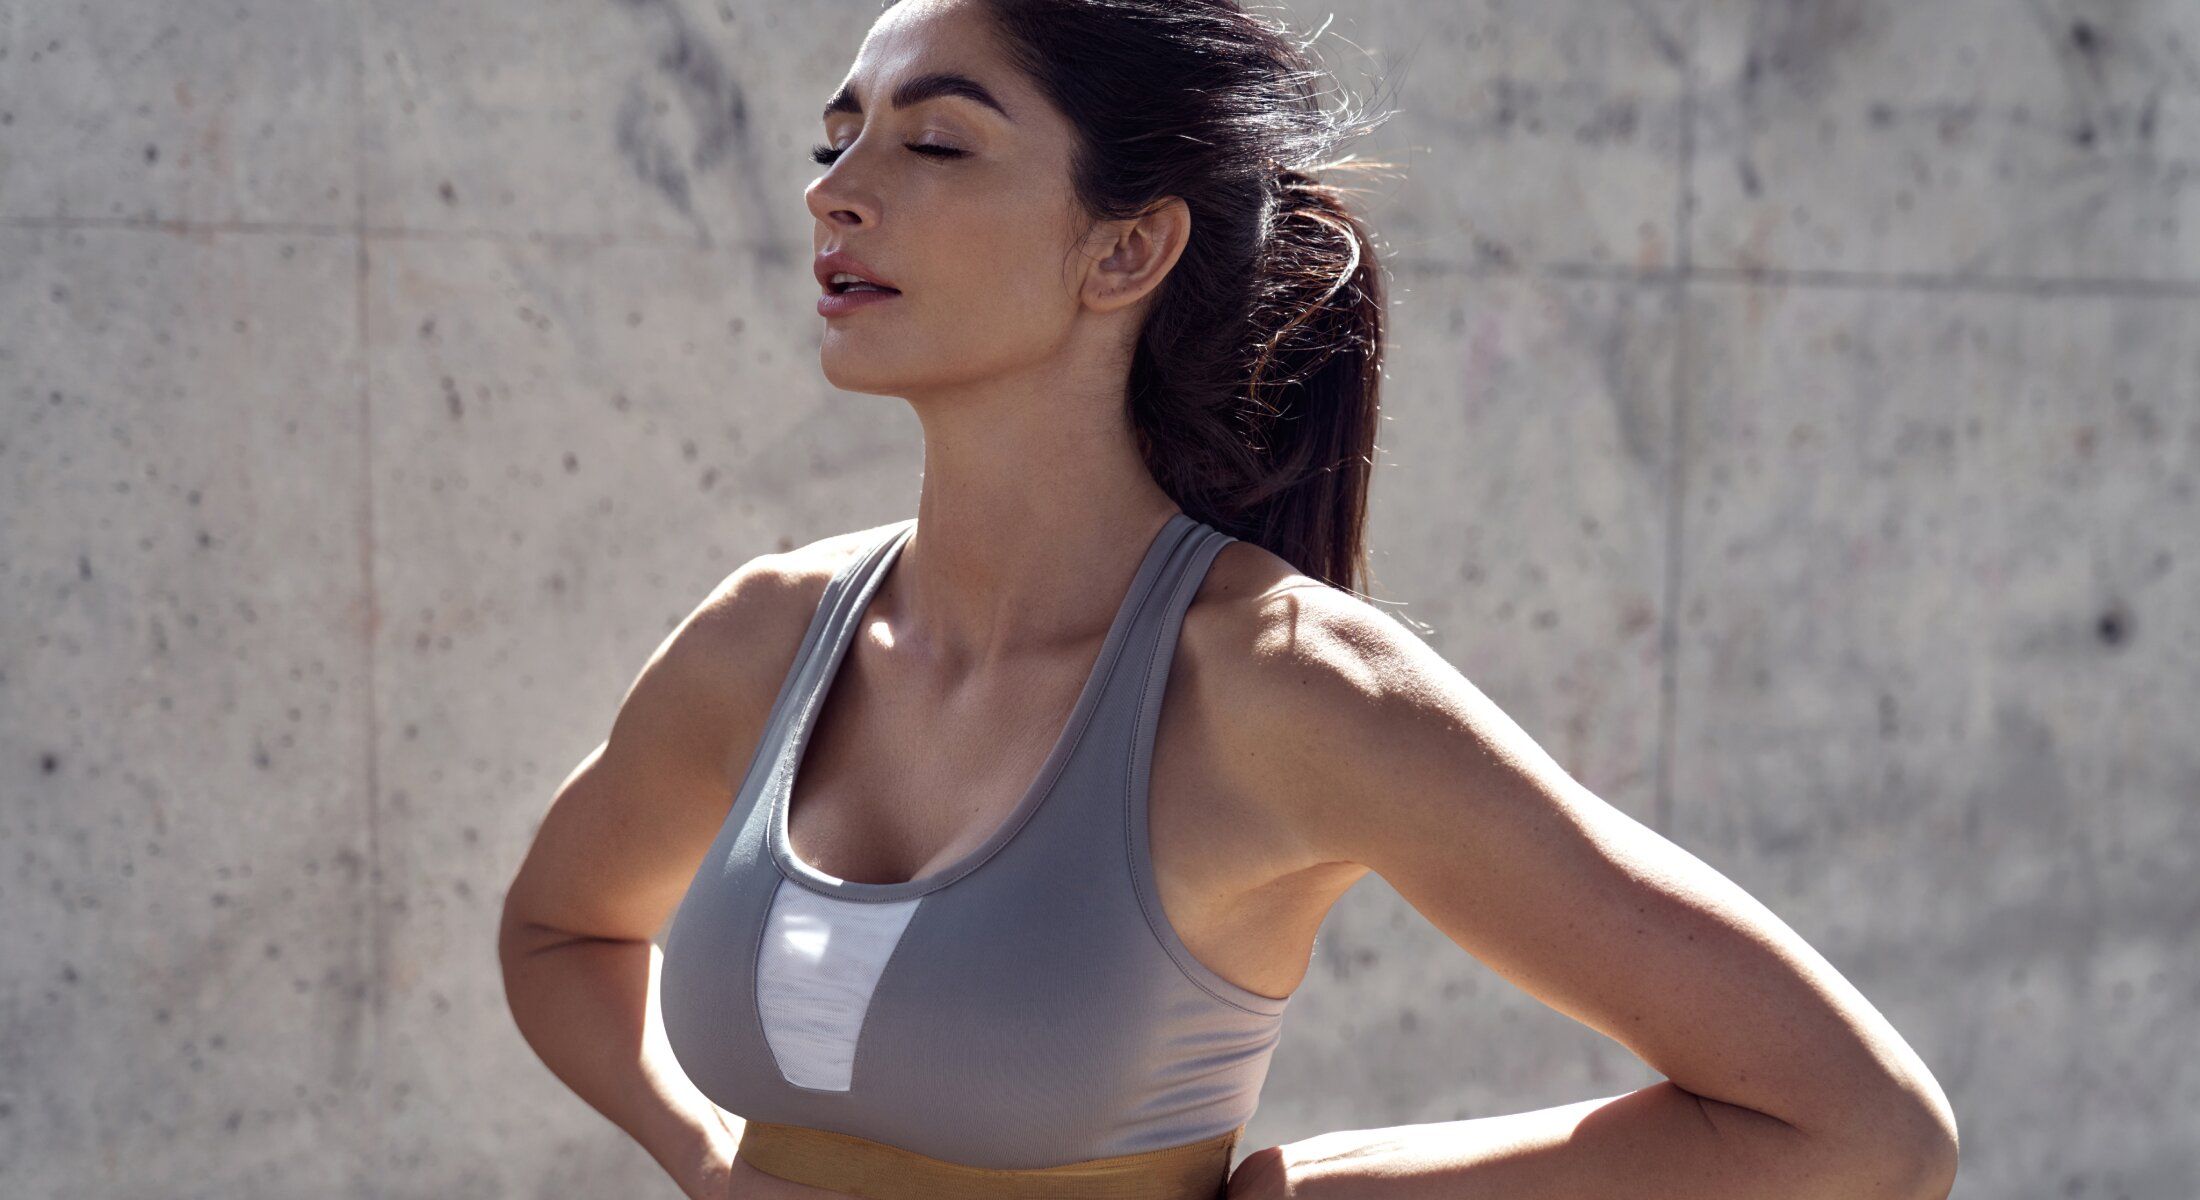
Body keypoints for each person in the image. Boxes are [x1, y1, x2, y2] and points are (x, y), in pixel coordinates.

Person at [498, 2, 1960, 1198]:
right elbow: (563, 932)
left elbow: (1859, 1128)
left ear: (1125, 248)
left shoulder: (1284, 687)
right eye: (838, 137)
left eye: (934, 141)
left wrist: (1316, 1198)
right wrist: (710, 1162)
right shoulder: (768, 638)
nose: (834, 188)